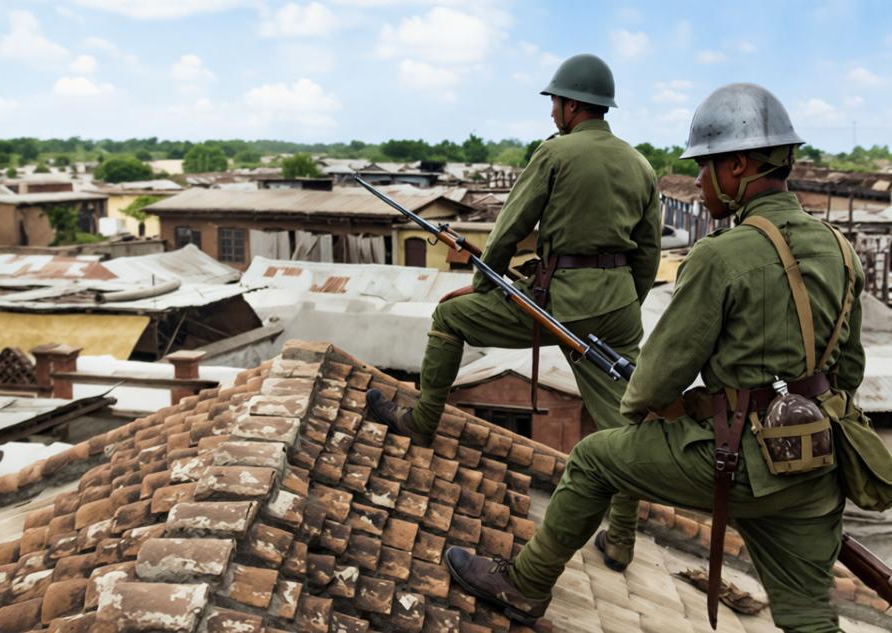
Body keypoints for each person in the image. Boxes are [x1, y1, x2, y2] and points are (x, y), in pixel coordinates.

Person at [443, 83, 873, 632]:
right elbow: (849, 371)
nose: (697, 181)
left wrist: (649, 414)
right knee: (810, 616)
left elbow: (656, 379)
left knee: (596, 458)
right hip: (815, 464)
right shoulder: (840, 248)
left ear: (738, 166)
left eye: (705, 166)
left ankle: (524, 586)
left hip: (738, 461)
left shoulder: (721, 255)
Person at [366, 53, 661, 571]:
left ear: (572, 105)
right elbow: (648, 252)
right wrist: (621, 302)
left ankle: (423, 420)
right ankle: (621, 539)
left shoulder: (556, 154)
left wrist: (482, 285)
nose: (552, 113)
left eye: (555, 103)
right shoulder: (641, 165)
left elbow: (506, 229)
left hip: (562, 302)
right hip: (618, 306)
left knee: (451, 318)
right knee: (623, 423)